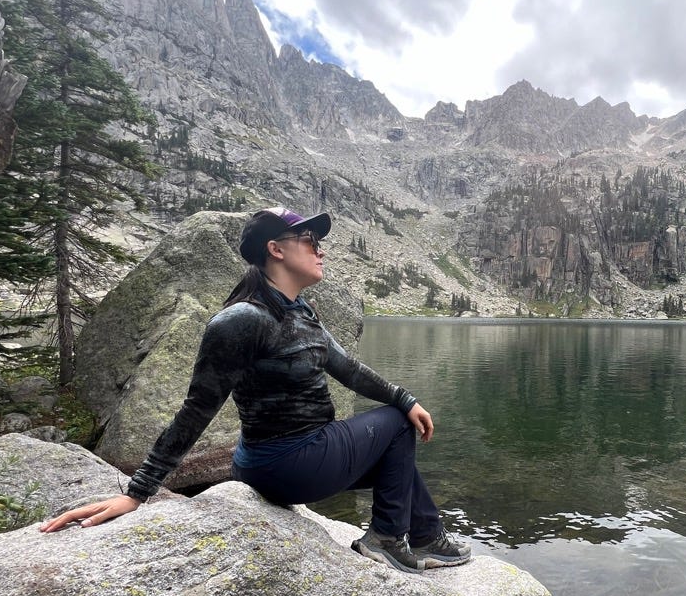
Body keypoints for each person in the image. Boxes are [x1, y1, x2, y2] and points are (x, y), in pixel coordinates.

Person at [41, 207, 470, 574]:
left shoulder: (300, 310)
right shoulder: (241, 320)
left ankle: (427, 534)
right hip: (284, 463)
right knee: (395, 426)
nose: (320, 249)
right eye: (309, 239)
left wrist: (404, 397)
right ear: (276, 249)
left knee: (397, 451)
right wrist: (137, 492)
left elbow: (348, 369)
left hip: (297, 459)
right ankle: (386, 540)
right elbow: (196, 410)